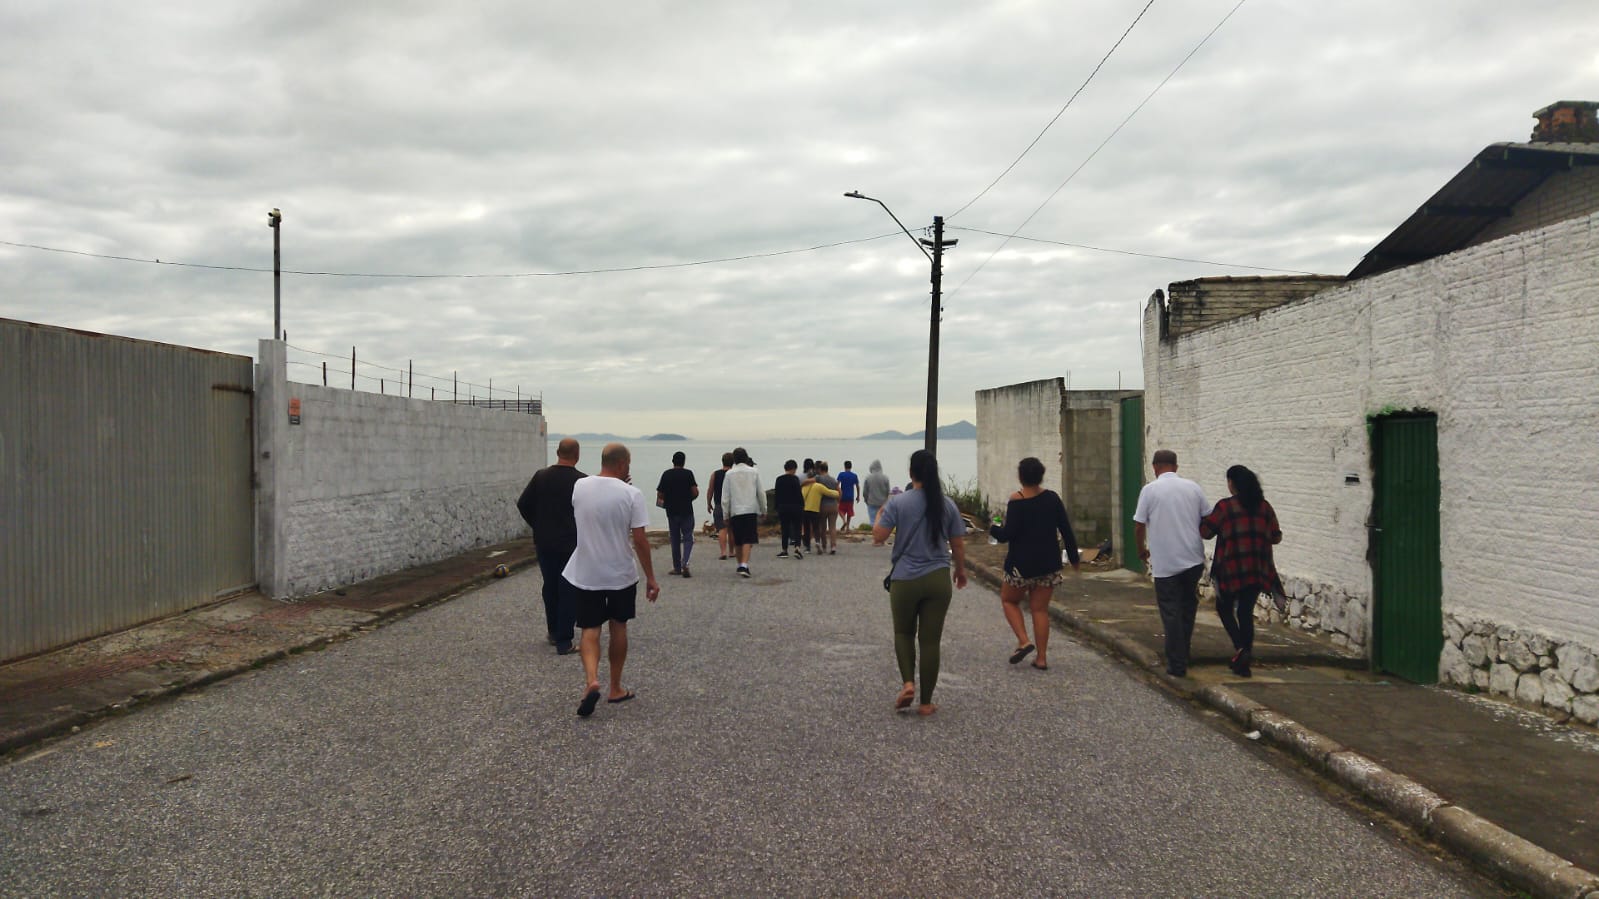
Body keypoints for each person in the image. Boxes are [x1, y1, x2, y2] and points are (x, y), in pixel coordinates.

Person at [565, 443, 660, 717]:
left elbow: (592, 507)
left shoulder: (579, 486)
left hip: (587, 571)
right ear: (622, 464)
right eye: (628, 463)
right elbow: (640, 540)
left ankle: (591, 680)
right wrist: (651, 577)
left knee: (590, 628)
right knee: (619, 627)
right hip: (620, 573)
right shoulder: (632, 494)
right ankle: (615, 687)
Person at [874, 450, 968, 717]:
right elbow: (958, 544)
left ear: (911, 473)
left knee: (904, 633)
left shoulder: (899, 502)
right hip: (938, 577)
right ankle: (926, 703)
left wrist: (880, 513)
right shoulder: (947, 504)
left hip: (905, 579)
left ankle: (908, 683)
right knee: (930, 641)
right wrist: (960, 571)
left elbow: (879, 536)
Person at [990, 457, 1080, 672]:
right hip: (1048, 564)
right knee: (1040, 610)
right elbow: (1066, 530)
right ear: (1041, 475)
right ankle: (1041, 658)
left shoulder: (1017, 500)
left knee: (1009, 600)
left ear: (1020, 477)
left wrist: (994, 528)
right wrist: (1074, 559)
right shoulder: (1052, 498)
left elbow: (1007, 534)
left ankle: (1023, 640)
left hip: (1020, 565)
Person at [1201, 465, 1283, 678]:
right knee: (1245, 613)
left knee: (1224, 608)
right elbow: (1276, 537)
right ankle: (1243, 660)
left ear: (1233, 483)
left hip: (1231, 570)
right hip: (1257, 569)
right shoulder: (1265, 507)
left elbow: (1206, 532)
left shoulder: (1225, 507)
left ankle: (1241, 649)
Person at [1133, 449, 1209, 677]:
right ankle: (1183, 652)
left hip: (1165, 562)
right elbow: (1207, 518)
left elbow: (1139, 525)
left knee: (1171, 611)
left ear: (1155, 467)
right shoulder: (1193, 488)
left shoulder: (1149, 490)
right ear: (1176, 466)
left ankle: (1177, 664)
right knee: (1187, 608)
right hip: (1193, 559)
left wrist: (1141, 550)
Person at [515, 437, 586, 655]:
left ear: (557, 452)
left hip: (544, 541)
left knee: (550, 586)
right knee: (568, 589)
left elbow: (523, 504)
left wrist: (537, 525)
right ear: (577, 455)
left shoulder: (541, 476)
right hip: (570, 543)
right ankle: (564, 641)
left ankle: (553, 631)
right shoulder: (582, 481)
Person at [722, 447, 766, 578]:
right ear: (746, 458)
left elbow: (725, 497)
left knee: (738, 539)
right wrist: (763, 509)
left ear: (734, 459)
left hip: (735, 510)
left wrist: (725, 514)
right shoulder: (754, 472)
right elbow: (760, 492)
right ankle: (744, 565)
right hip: (750, 509)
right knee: (748, 538)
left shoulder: (729, 474)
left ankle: (740, 564)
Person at [655, 451, 700, 578]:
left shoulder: (666, 474)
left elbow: (660, 494)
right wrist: (689, 499)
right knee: (688, 537)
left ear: (672, 461)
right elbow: (695, 492)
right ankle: (685, 562)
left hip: (671, 511)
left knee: (674, 538)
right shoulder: (688, 474)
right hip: (686, 510)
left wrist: (668, 500)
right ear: (684, 462)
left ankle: (677, 567)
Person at [801, 471, 838, 557]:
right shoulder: (818, 486)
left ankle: (807, 547)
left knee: (807, 529)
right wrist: (837, 494)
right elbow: (830, 492)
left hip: (805, 510)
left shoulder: (804, 487)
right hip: (815, 510)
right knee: (816, 528)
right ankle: (818, 542)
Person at [774, 460, 805, 559]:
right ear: (794, 469)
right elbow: (799, 494)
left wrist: (777, 507)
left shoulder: (779, 479)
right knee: (797, 528)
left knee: (785, 529)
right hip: (796, 507)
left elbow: (777, 494)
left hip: (783, 507)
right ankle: (797, 548)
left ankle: (784, 550)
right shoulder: (795, 479)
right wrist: (802, 505)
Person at [708, 452, 734, 561]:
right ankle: (732, 552)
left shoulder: (715, 474)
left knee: (722, 529)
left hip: (719, 504)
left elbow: (710, 490)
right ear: (733, 462)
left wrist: (708, 502)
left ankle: (723, 552)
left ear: (722, 461)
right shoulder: (734, 474)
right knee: (732, 529)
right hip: (733, 505)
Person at [815, 462, 841, 554]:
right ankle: (833, 546)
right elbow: (839, 491)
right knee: (832, 527)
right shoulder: (833, 479)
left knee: (822, 527)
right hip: (833, 505)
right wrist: (838, 502)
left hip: (822, 505)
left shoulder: (819, 478)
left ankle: (824, 546)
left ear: (820, 469)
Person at [863, 459, 890, 527]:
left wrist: (866, 500)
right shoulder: (885, 478)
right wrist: (886, 501)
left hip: (871, 502)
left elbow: (865, 492)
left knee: (873, 521)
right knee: (882, 521)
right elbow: (888, 491)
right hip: (882, 503)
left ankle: (874, 532)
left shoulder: (868, 478)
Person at [837, 461, 861, 532]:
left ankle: (844, 520)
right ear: (851, 466)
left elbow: (837, 484)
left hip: (842, 496)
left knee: (839, 509)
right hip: (850, 496)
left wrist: (837, 493)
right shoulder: (854, 476)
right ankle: (847, 527)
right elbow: (857, 486)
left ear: (844, 466)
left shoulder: (841, 474)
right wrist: (858, 496)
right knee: (849, 512)